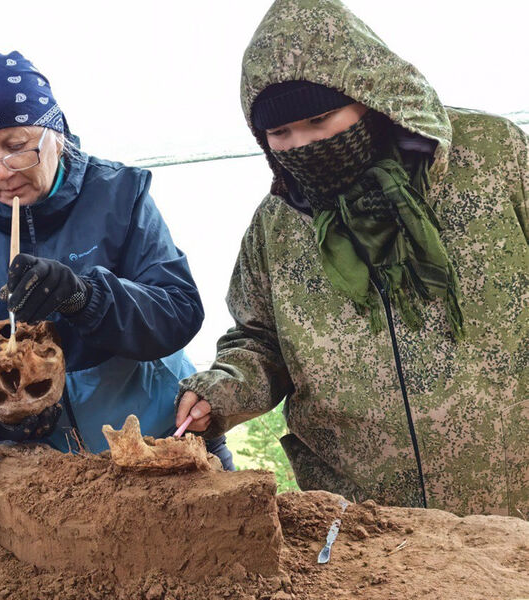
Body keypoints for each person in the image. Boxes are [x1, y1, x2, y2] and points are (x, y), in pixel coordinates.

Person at [177, 0, 529, 517]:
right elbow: (259, 339)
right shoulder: (278, 223)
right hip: (366, 519)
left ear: (372, 98)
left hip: (513, 501)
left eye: (321, 119)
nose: (305, 144)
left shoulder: (493, 157)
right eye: (281, 134)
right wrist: (221, 393)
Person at [0, 51, 234, 469]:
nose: (2, 172)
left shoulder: (119, 193)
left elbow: (178, 311)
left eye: (17, 147)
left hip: (155, 439)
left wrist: (85, 298)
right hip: (44, 467)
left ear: (57, 134)